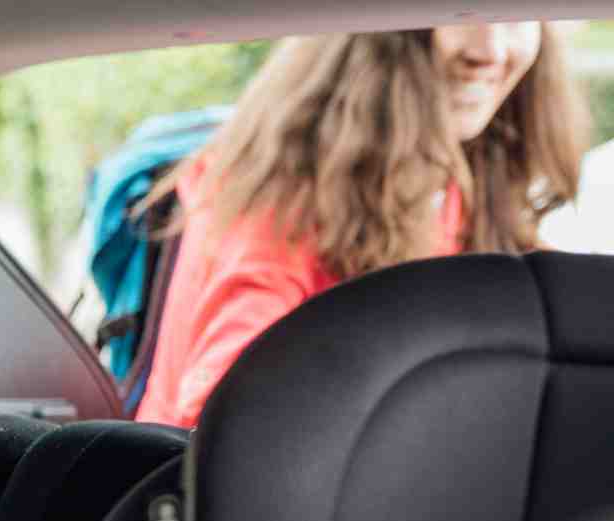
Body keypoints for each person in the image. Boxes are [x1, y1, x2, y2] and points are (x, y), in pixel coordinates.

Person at [134, 22, 587, 429]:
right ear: (373, 29)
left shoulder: (462, 177)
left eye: (515, 14)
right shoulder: (283, 192)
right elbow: (226, 412)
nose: (489, 49)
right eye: (457, 10)